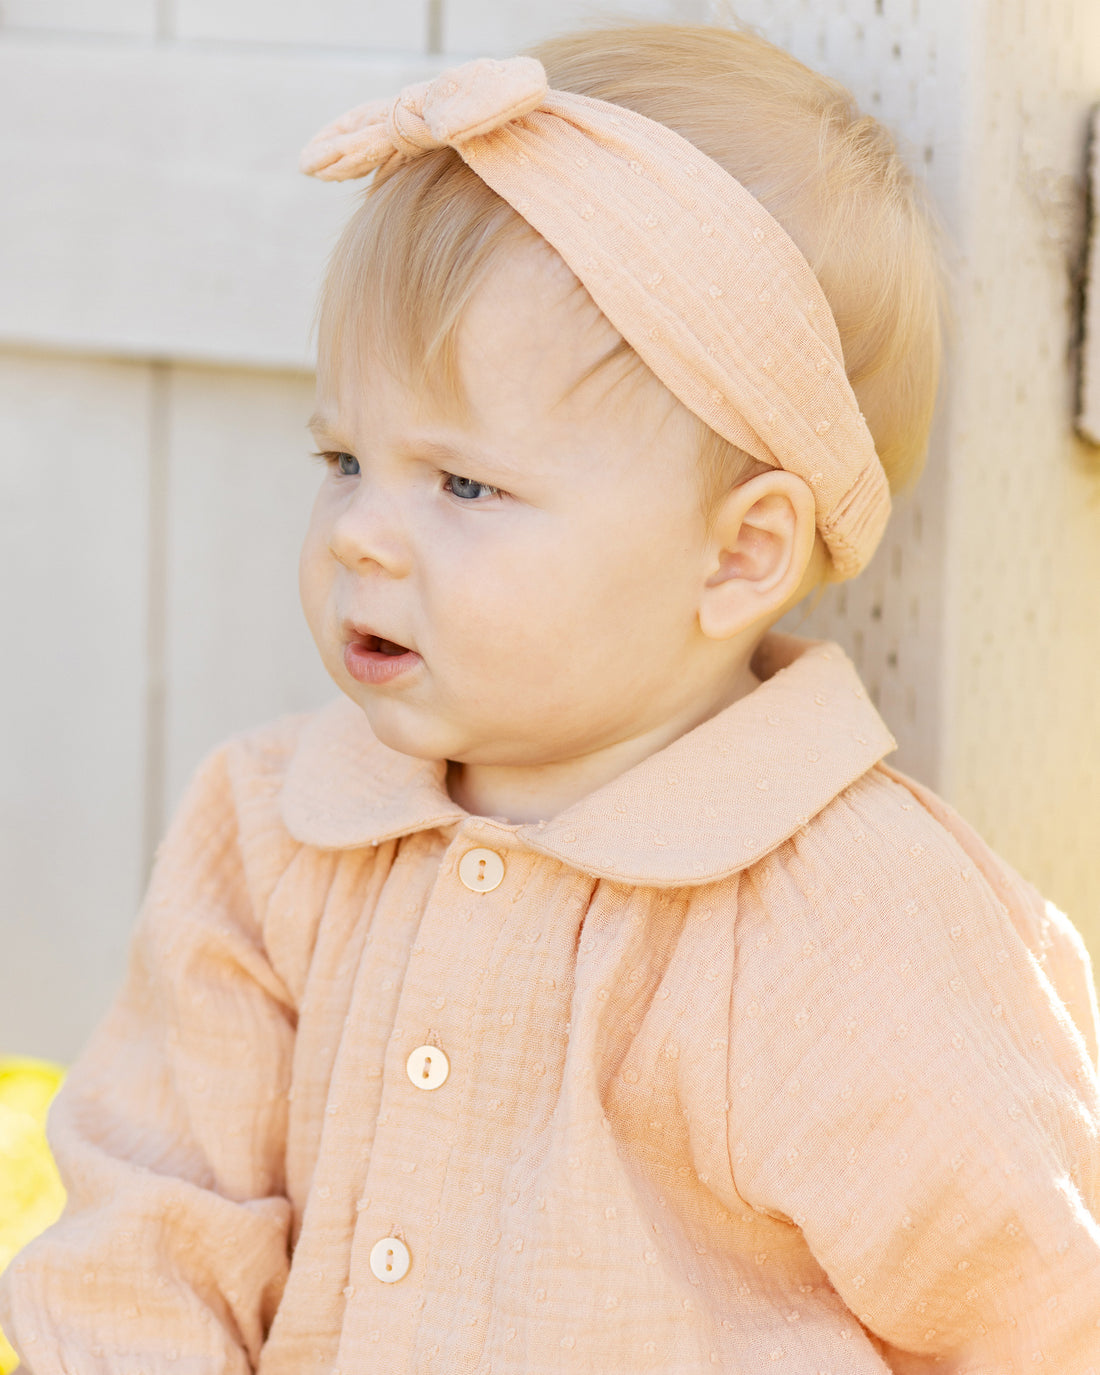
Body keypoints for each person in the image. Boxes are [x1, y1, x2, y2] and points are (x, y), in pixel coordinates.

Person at [2, 19, 1098, 1374]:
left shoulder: (854, 924)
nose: (361, 533)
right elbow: (151, 1235)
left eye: (465, 484)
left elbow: (1040, 1316)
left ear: (738, 553)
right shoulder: (274, 834)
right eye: (345, 456)